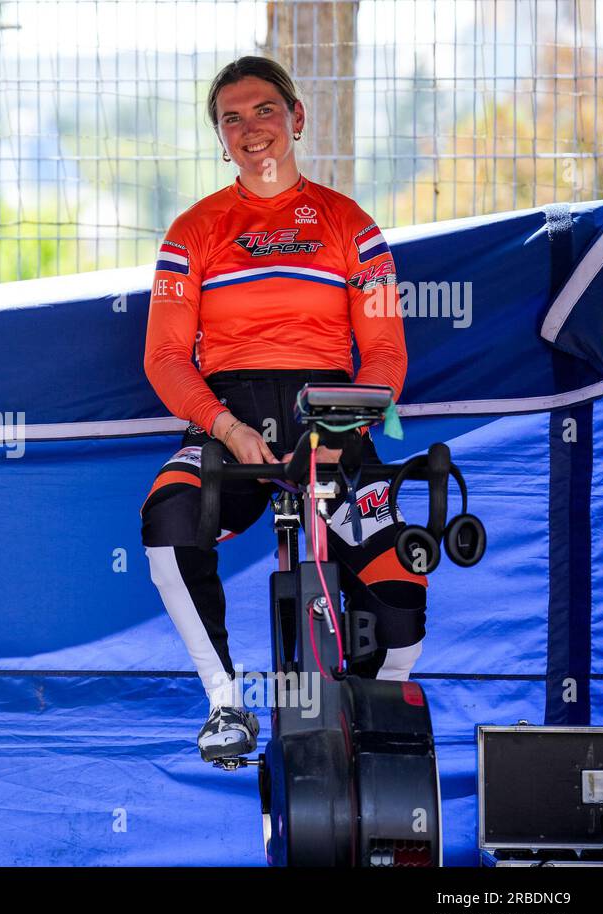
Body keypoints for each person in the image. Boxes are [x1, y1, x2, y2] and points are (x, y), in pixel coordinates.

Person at [141, 56, 426, 762]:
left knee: (403, 605)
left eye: (264, 110)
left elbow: (387, 354)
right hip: (230, 419)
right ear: (220, 137)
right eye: (231, 119)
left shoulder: (350, 223)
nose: (250, 129)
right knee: (168, 523)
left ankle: (377, 712)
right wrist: (228, 429)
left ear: (297, 118)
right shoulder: (192, 230)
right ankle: (225, 703)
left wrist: (345, 427)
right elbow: (166, 359)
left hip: (333, 418)